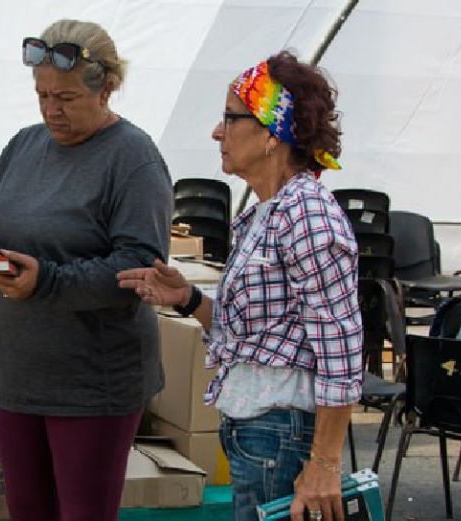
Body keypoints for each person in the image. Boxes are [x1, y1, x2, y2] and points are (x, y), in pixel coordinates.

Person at [118, 51, 362, 521]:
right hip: (259, 432)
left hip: (280, 433)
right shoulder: (269, 211)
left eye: (231, 118)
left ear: (272, 134)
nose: (217, 132)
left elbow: (342, 349)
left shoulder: (306, 214)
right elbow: (259, 336)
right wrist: (187, 299)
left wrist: (324, 466)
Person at [0, 19, 173, 521]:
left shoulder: (132, 159)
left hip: (92, 384)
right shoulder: (24, 145)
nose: (52, 109)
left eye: (67, 98)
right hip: (17, 374)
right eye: (42, 95)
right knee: (27, 511)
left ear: (107, 88)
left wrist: (46, 281)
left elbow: (139, 268)